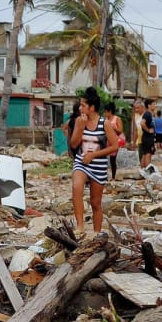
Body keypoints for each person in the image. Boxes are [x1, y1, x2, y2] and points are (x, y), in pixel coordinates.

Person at [70, 88, 121, 235]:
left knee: (95, 203)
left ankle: (97, 234)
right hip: (81, 162)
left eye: (83, 106)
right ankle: (80, 226)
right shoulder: (79, 121)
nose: (80, 108)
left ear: (92, 108)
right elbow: (74, 144)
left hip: (98, 166)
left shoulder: (104, 124)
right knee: (76, 187)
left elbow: (114, 146)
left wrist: (94, 155)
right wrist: (79, 127)